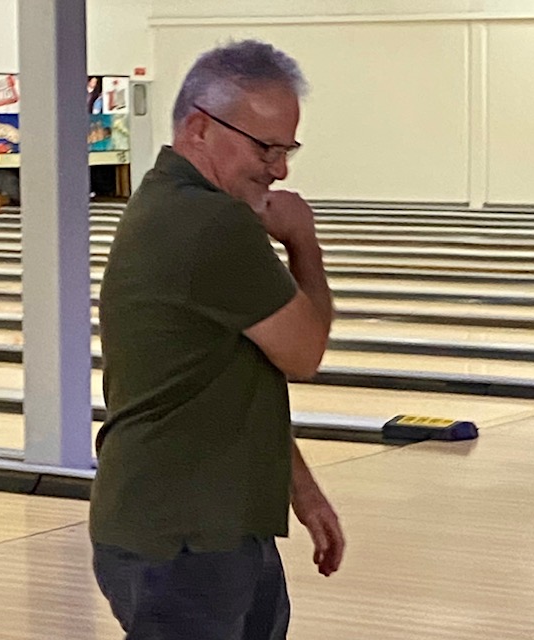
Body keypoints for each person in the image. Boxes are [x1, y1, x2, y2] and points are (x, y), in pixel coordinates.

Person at [89, 39, 345, 639]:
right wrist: (303, 241)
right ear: (200, 128)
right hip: (186, 541)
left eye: (287, 149)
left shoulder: (166, 200)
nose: (280, 168)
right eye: (265, 147)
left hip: (199, 529)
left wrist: (304, 493)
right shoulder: (212, 223)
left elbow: (223, 384)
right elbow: (304, 353)